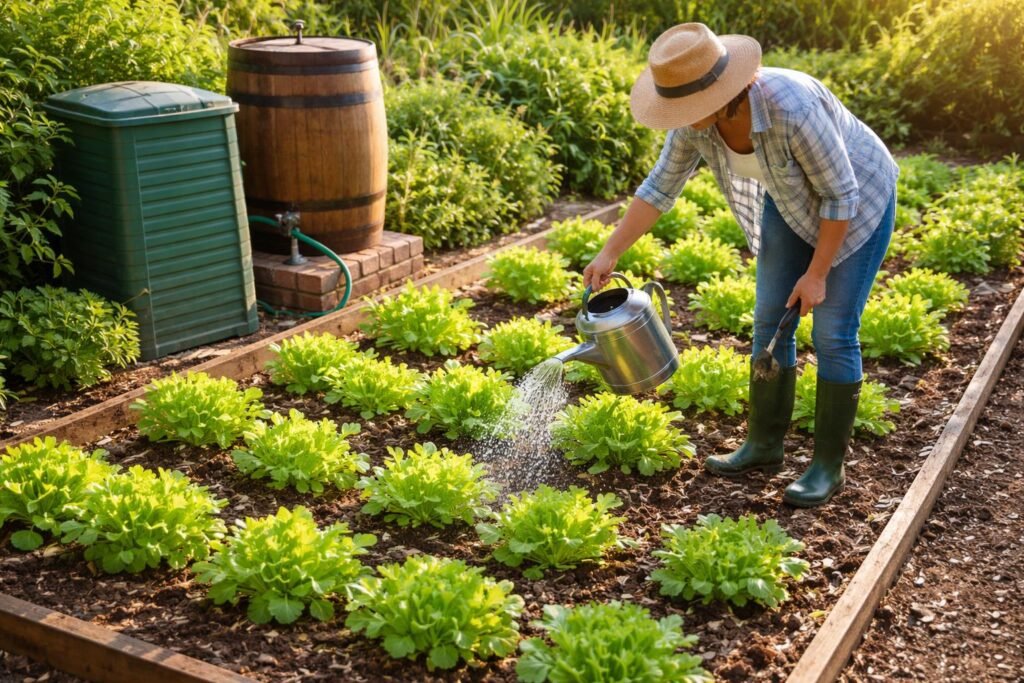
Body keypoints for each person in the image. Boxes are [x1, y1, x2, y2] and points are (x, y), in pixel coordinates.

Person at [582, 23, 898, 507]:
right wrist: (610, 252)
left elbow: (840, 194)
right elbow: (659, 187)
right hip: (789, 202)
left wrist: (816, 275)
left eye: (687, 108)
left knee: (834, 331)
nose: (681, 119)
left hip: (856, 202)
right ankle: (765, 445)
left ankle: (826, 469)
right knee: (770, 320)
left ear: (724, 93)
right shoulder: (695, 124)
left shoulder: (790, 108)